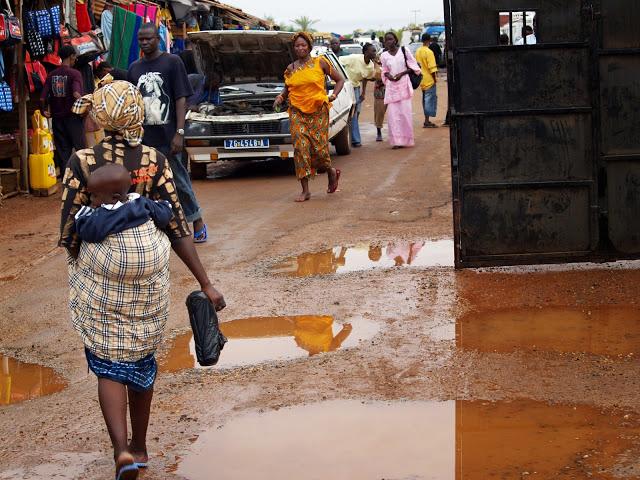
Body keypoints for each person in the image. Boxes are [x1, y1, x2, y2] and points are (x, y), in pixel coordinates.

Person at [63, 80, 226, 480]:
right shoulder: (154, 159)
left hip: (102, 275)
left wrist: (85, 260)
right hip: (149, 271)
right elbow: (177, 224)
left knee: (108, 361)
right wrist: (205, 282)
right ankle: (140, 445)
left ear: (101, 116)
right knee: (141, 355)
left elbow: (68, 231)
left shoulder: (83, 161)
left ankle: (121, 450)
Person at [128, 23, 209, 243]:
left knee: (179, 181)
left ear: (158, 39)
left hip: (169, 135)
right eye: (141, 40)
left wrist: (179, 132)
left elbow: (181, 98)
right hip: (144, 139)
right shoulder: (134, 68)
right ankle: (152, 228)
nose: (144, 42)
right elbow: (134, 103)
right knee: (146, 183)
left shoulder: (173, 62)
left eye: (149, 39)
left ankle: (197, 220)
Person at [273, 32, 344, 202]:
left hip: (319, 110)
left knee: (319, 150)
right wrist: (280, 97)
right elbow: (287, 88)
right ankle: (305, 190)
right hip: (297, 111)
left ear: (309, 47)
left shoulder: (320, 63)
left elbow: (339, 80)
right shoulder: (291, 68)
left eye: (303, 45)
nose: (300, 48)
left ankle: (331, 172)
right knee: (300, 147)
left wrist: (333, 95)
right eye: (297, 45)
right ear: (294, 48)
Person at [41, 45, 86, 176]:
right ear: (72, 56)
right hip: (73, 118)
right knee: (80, 149)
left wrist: (44, 111)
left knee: (62, 150)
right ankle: (82, 175)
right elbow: (77, 92)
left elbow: (42, 97)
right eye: (75, 57)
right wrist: (84, 103)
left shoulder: (51, 75)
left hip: (57, 119)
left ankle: (67, 177)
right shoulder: (75, 74)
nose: (76, 59)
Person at [380, 32, 421, 149]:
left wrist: (401, 74)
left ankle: (406, 140)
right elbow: (384, 69)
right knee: (393, 116)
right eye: (386, 40)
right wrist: (389, 76)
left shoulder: (404, 51)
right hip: (392, 88)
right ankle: (396, 141)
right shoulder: (384, 55)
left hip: (404, 86)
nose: (389, 42)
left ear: (395, 40)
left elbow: (413, 67)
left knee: (405, 114)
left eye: (391, 39)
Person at [339, 43, 377, 147]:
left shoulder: (371, 65)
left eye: (375, 51)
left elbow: (365, 78)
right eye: (372, 51)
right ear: (365, 52)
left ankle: (350, 134)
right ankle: (356, 140)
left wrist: (363, 92)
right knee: (353, 113)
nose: (375, 53)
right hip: (346, 87)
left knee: (357, 112)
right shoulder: (354, 58)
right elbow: (339, 62)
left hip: (356, 87)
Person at [415, 33, 438, 128]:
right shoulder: (429, 52)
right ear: (429, 40)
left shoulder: (418, 51)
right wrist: (434, 79)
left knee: (425, 100)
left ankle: (426, 120)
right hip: (429, 80)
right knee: (429, 100)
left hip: (421, 79)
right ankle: (427, 121)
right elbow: (432, 68)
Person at [372, 58, 387, 142]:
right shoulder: (377, 62)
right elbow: (373, 76)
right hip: (380, 92)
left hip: (392, 90)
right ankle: (379, 132)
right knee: (379, 112)